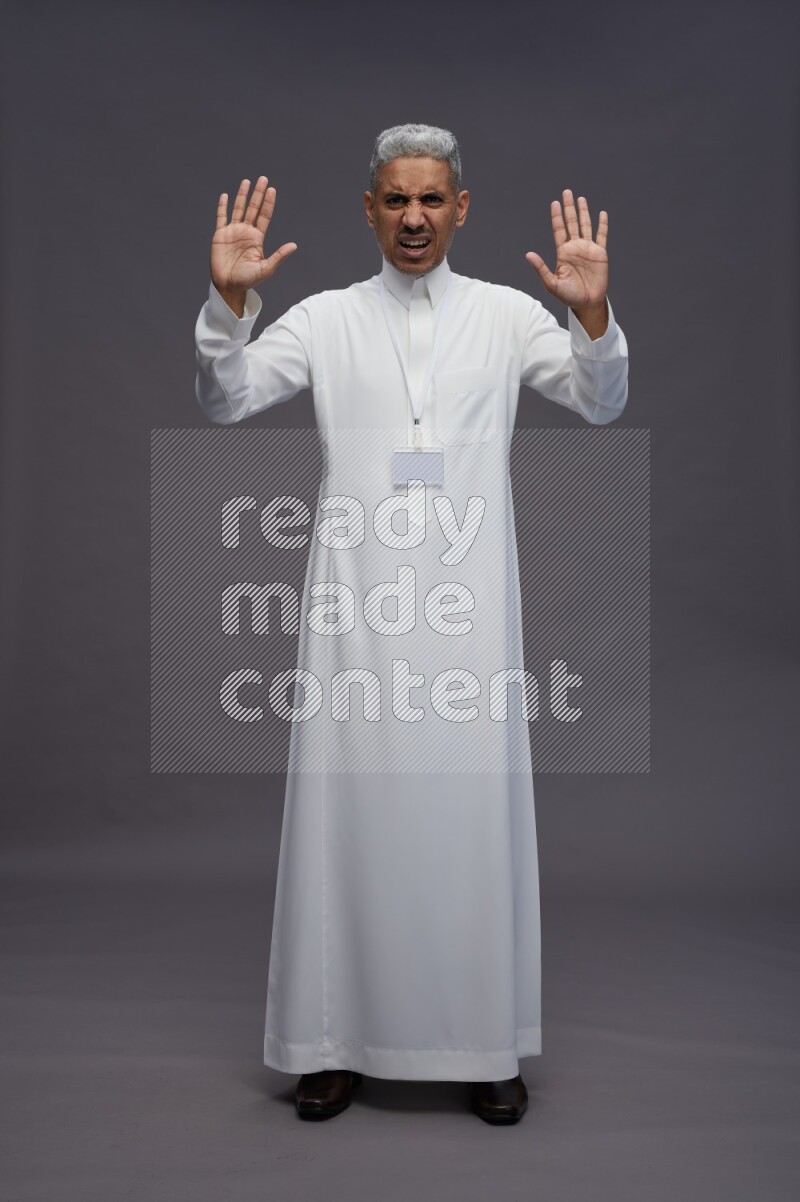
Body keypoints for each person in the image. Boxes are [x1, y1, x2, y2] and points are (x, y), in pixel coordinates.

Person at [194, 123, 628, 1124]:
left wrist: (592, 314)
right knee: (348, 820)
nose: (415, 217)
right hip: (355, 609)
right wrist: (228, 304)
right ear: (369, 210)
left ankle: (483, 1042)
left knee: (468, 821)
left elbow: (599, 400)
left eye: (432, 199)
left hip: (469, 610)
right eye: (396, 199)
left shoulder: (507, 315)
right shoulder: (327, 319)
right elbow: (225, 399)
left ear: (461, 208)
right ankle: (331, 1043)